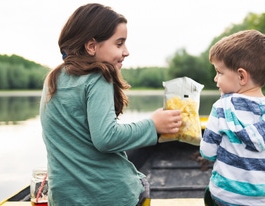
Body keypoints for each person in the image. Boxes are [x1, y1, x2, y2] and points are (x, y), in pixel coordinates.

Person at [39, 3, 182, 206]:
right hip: (108, 196)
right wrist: (153, 125)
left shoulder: (53, 78)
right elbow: (106, 138)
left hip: (64, 198)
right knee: (140, 183)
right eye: (119, 43)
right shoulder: (98, 77)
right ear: (91, 46)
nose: (126, 51)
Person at [199, 30, 265, 206]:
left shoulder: (221, 108)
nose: (215, 78)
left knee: (209, 194)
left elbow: (207, 153)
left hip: (228, 200)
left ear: (241, 76)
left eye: (219, 72)